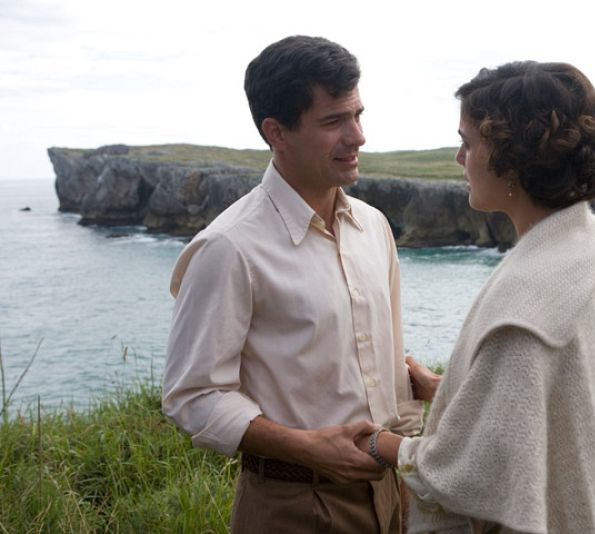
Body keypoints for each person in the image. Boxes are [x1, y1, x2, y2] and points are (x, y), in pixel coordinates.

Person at [358, 61, 595, 533]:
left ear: (511, 158)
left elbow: (471, 474)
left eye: (468, 143)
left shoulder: (526, 301)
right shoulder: (589, 251)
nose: (459, 158)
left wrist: (379, 444)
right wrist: (449, 390)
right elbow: (556, 401)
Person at [162, 35, 423, 533]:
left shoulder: (374, 226)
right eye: (334, 121)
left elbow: (389, 360)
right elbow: (192, 395)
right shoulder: (228, 247)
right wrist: (307, 448)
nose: (358, 136)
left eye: (358, 114)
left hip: (391, 491)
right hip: (292, 505)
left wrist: (405, 468)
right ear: (276, 132)